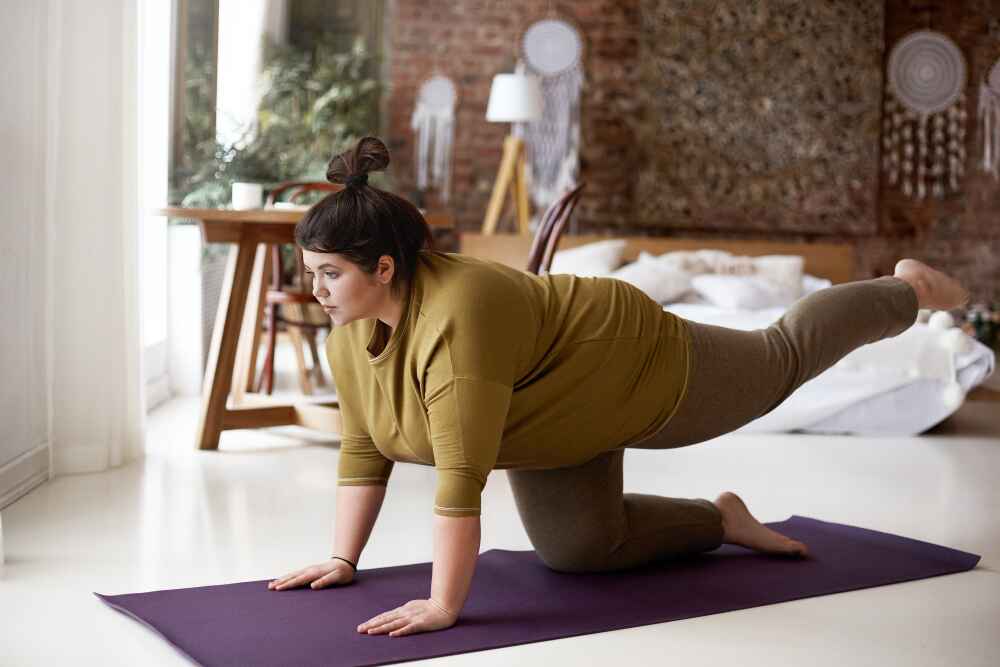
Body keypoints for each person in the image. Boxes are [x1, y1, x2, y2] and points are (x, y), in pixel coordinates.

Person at [267, 136, 969, 638]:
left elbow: (460, 479)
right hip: (552, 417)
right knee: (579, 551)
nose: (315, 288)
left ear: (384, 268)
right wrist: (342, 558)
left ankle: (903, 289)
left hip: (626, 361)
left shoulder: (460, 317)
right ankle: (720, 518)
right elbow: (363, 453)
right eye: (312, 271)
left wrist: (444, 604)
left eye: (330, 273)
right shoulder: (349, 337)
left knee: (777, 359)